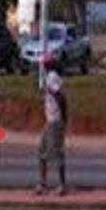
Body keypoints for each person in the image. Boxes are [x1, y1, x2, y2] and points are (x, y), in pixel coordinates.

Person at [36, 66, 68, 196]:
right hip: (49, 121)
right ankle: (42, 183)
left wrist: (63, 119)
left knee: (56, 153)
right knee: (41, 151)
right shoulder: (45, 78)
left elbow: (60, 96)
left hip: (55, 121)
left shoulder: (52, 77)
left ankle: (62, 185)